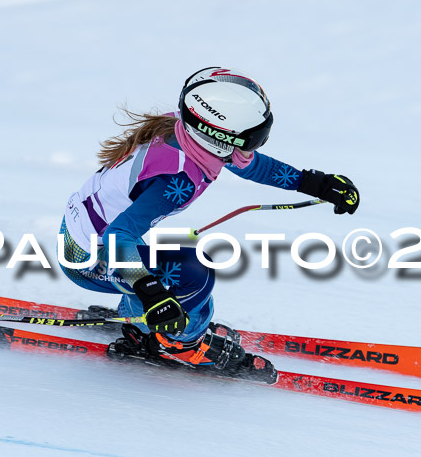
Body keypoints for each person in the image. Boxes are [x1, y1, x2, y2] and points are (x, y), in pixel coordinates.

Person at [59, 67, 359, 379]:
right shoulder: (179, 178)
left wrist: (313, 183)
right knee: (194, 274)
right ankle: (179, 344)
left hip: (85, 238)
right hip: (90, 259)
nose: (252, 148)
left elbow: (247, 164)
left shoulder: (183, 129)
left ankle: (139, 317)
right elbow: (119, 237)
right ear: (220, 138)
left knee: (176, 271)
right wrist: (150, 291)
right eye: (251, 139)